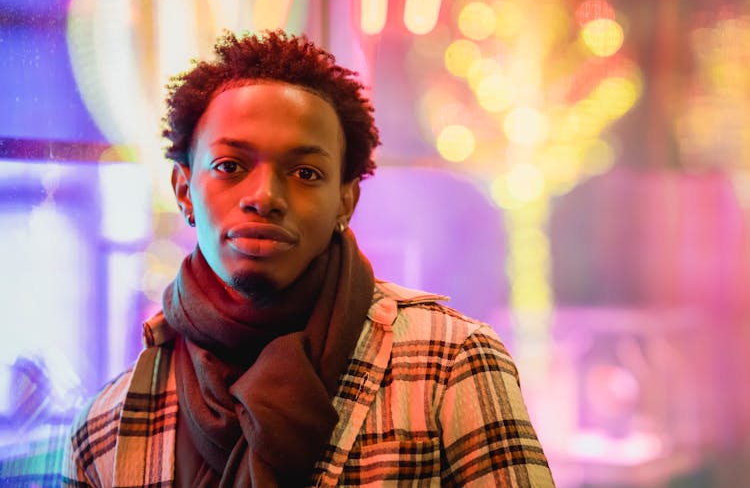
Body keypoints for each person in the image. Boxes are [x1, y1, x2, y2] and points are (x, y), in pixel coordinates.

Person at [63, 30, 554, 487]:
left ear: (346, 201)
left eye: (305, 172)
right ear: (185, 191)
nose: (265, 196)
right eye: (230, 166)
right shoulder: (107, 425)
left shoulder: (450, 362)